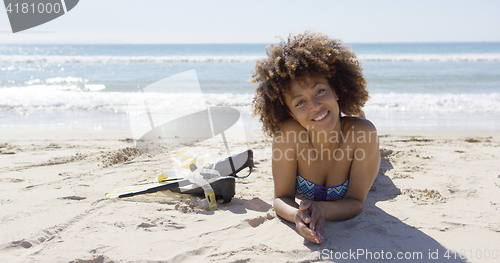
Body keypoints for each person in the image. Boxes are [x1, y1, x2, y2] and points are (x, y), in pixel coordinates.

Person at [251, 31, 380, 244]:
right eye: (300, 102)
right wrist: (297, 216)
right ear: (291, 113)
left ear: (336, 90)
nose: (315, 106)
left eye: (320, 91)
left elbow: (356, 201)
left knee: (366, 131)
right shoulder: (288, 135)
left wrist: (322, 209)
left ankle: (360, 117)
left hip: (366, 159)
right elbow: (281, 198)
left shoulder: (362, 135)